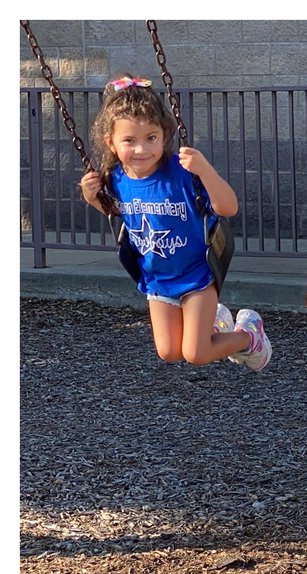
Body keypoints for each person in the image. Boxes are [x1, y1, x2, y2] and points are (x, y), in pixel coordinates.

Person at [80, 76, 271, 370]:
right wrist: (91, 196)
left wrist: (204, 169)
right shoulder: (115, 178)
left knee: (196, 353)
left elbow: (228, 207)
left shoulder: (181, 173)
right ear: (111, 142)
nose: (142, 149)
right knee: (169, 351)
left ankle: (248, 337)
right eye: (129, 141)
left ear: (164, 134)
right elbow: (117, 213)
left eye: (151, 138)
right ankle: (216, 325)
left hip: (196, 276)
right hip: (157, 279)